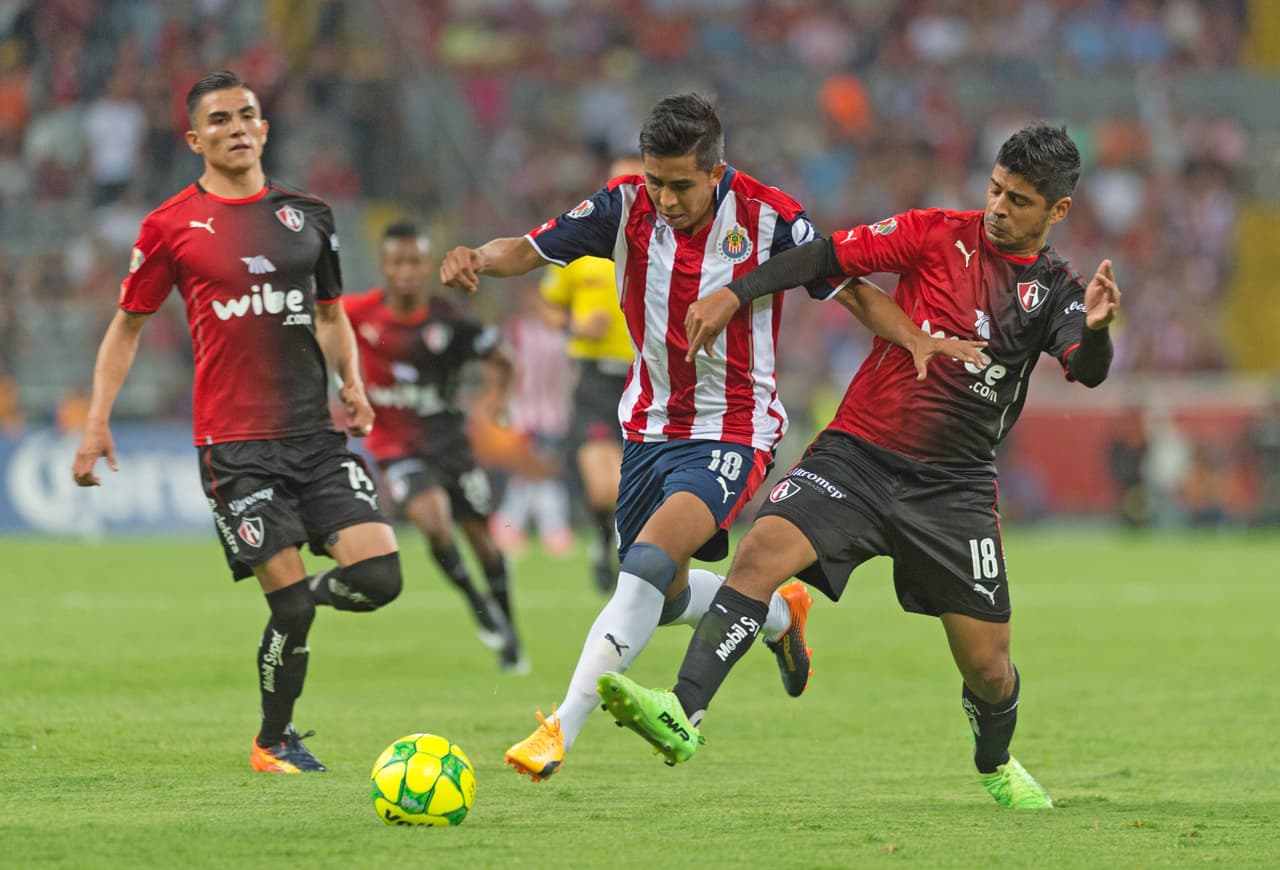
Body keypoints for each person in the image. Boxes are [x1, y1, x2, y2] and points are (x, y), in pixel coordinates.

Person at [440, 93, 980, 782]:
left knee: (643, 568)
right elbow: (529, 248)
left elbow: (846, 287)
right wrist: (477, 259)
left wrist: (917, 338)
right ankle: (778, 617)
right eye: (655, 180)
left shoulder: (770, 217)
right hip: (649, 425)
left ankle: (558, 730)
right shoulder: (623, 206)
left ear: (715, 170)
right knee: (659, 599)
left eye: (681, 184)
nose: (664, 197)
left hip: (734, 430)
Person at [599, 122, 1121, 810]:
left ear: (1057, 212)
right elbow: (822, 259)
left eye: (1019, 201)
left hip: (953, 490)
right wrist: (737, 291)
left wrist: (1101, 331)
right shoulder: (935, 231)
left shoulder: (1056, 288)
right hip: (856, 456)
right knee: (758, 556)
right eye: (995, 189)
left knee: (990, 673)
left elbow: (1085, 369)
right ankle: (683, 712)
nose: (998, 207)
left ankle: (995, 764)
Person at [71, 70, 403, 774]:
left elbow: (330, 314)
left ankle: (294, 601)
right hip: (235, 448)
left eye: (247, 115)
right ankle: (273, 740)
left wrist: (353, 381)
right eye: (219, 120)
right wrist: (97, 420)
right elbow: (126, 328)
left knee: (379, 579)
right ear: (195, 138)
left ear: (265, 126)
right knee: (295, 616)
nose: (236, 127)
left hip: (315, 437)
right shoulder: (168, 227)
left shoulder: (308, 214)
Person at [342, 220, 525, 671]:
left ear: (427, 265)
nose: (406, 270)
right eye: (396, 261)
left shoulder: (452, 319)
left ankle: (509, 631)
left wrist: (497, 399)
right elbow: (320, 327)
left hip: (450, 443)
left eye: (414, 261)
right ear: (383, 266)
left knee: (482, 540)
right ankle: (477, 603)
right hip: (395, 446)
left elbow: (502, 360)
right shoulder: (357, 313)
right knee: (432, 521)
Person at [537, 155, 645, 592]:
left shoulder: (672, 248)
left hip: (651, 380)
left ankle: (636, 554)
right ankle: (604, 543)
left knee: (642, 485)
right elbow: (547, 303)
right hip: (598, 380)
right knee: (604, 487)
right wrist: (572, 326)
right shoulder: (585, 247)